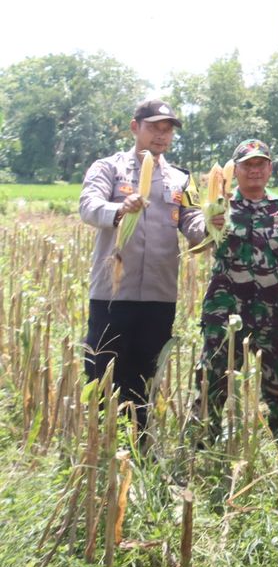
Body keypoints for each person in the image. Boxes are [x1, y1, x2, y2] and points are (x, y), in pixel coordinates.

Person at [79, 99, 208, 431]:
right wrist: (120, 209)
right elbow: (89, 206)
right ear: (135, 127)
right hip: (113, 292)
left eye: (167, 130)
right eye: (154, 128)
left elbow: (192, 220)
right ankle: (101, 444)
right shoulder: (108, 168)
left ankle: (138, 446)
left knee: (144, 376)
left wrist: (210, 227)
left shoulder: (182, 179)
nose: (161, 136)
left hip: (158, 296)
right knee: (102, 372)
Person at [195, 139, 278, 462]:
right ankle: (201, 454)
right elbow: (198, 238)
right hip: (225, 314)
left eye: (260, 164)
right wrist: (209, 222)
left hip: (274, 317)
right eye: (246, 165)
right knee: (211, 382)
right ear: (235, 171)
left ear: (270, 169)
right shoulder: (220, 207)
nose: (254, 170)